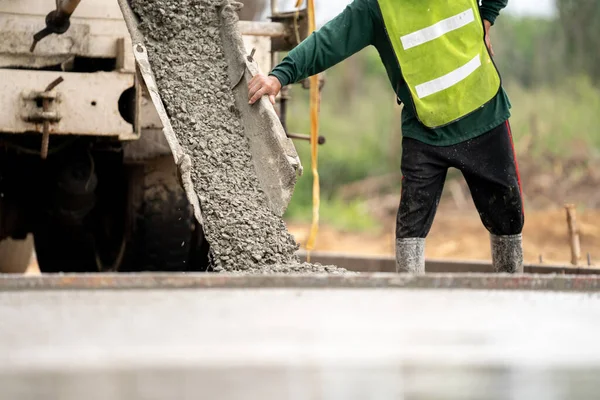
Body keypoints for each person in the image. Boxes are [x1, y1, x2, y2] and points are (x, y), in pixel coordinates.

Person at [248, 0, 524, 274]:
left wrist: (487, 17)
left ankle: (515, 293)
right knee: (410, 230)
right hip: (425, 130)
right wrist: (279, 76)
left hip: (485, 115)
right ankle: (409, 300)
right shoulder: (376, 6)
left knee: (508, 219)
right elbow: (329, 41)